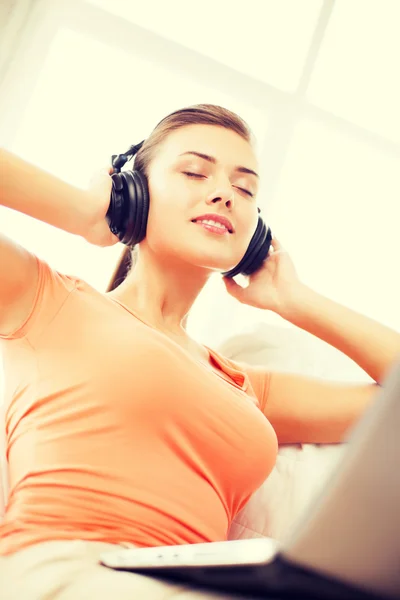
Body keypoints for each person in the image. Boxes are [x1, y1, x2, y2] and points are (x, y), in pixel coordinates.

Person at [0, 103, 399, 599]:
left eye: (245, 187)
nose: (224, 195)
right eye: (194, 171)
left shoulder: (244, 385)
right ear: (134, 194)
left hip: (194, 581)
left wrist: (295, 301)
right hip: (66, 567)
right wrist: (82, 212)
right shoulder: (45, 300)